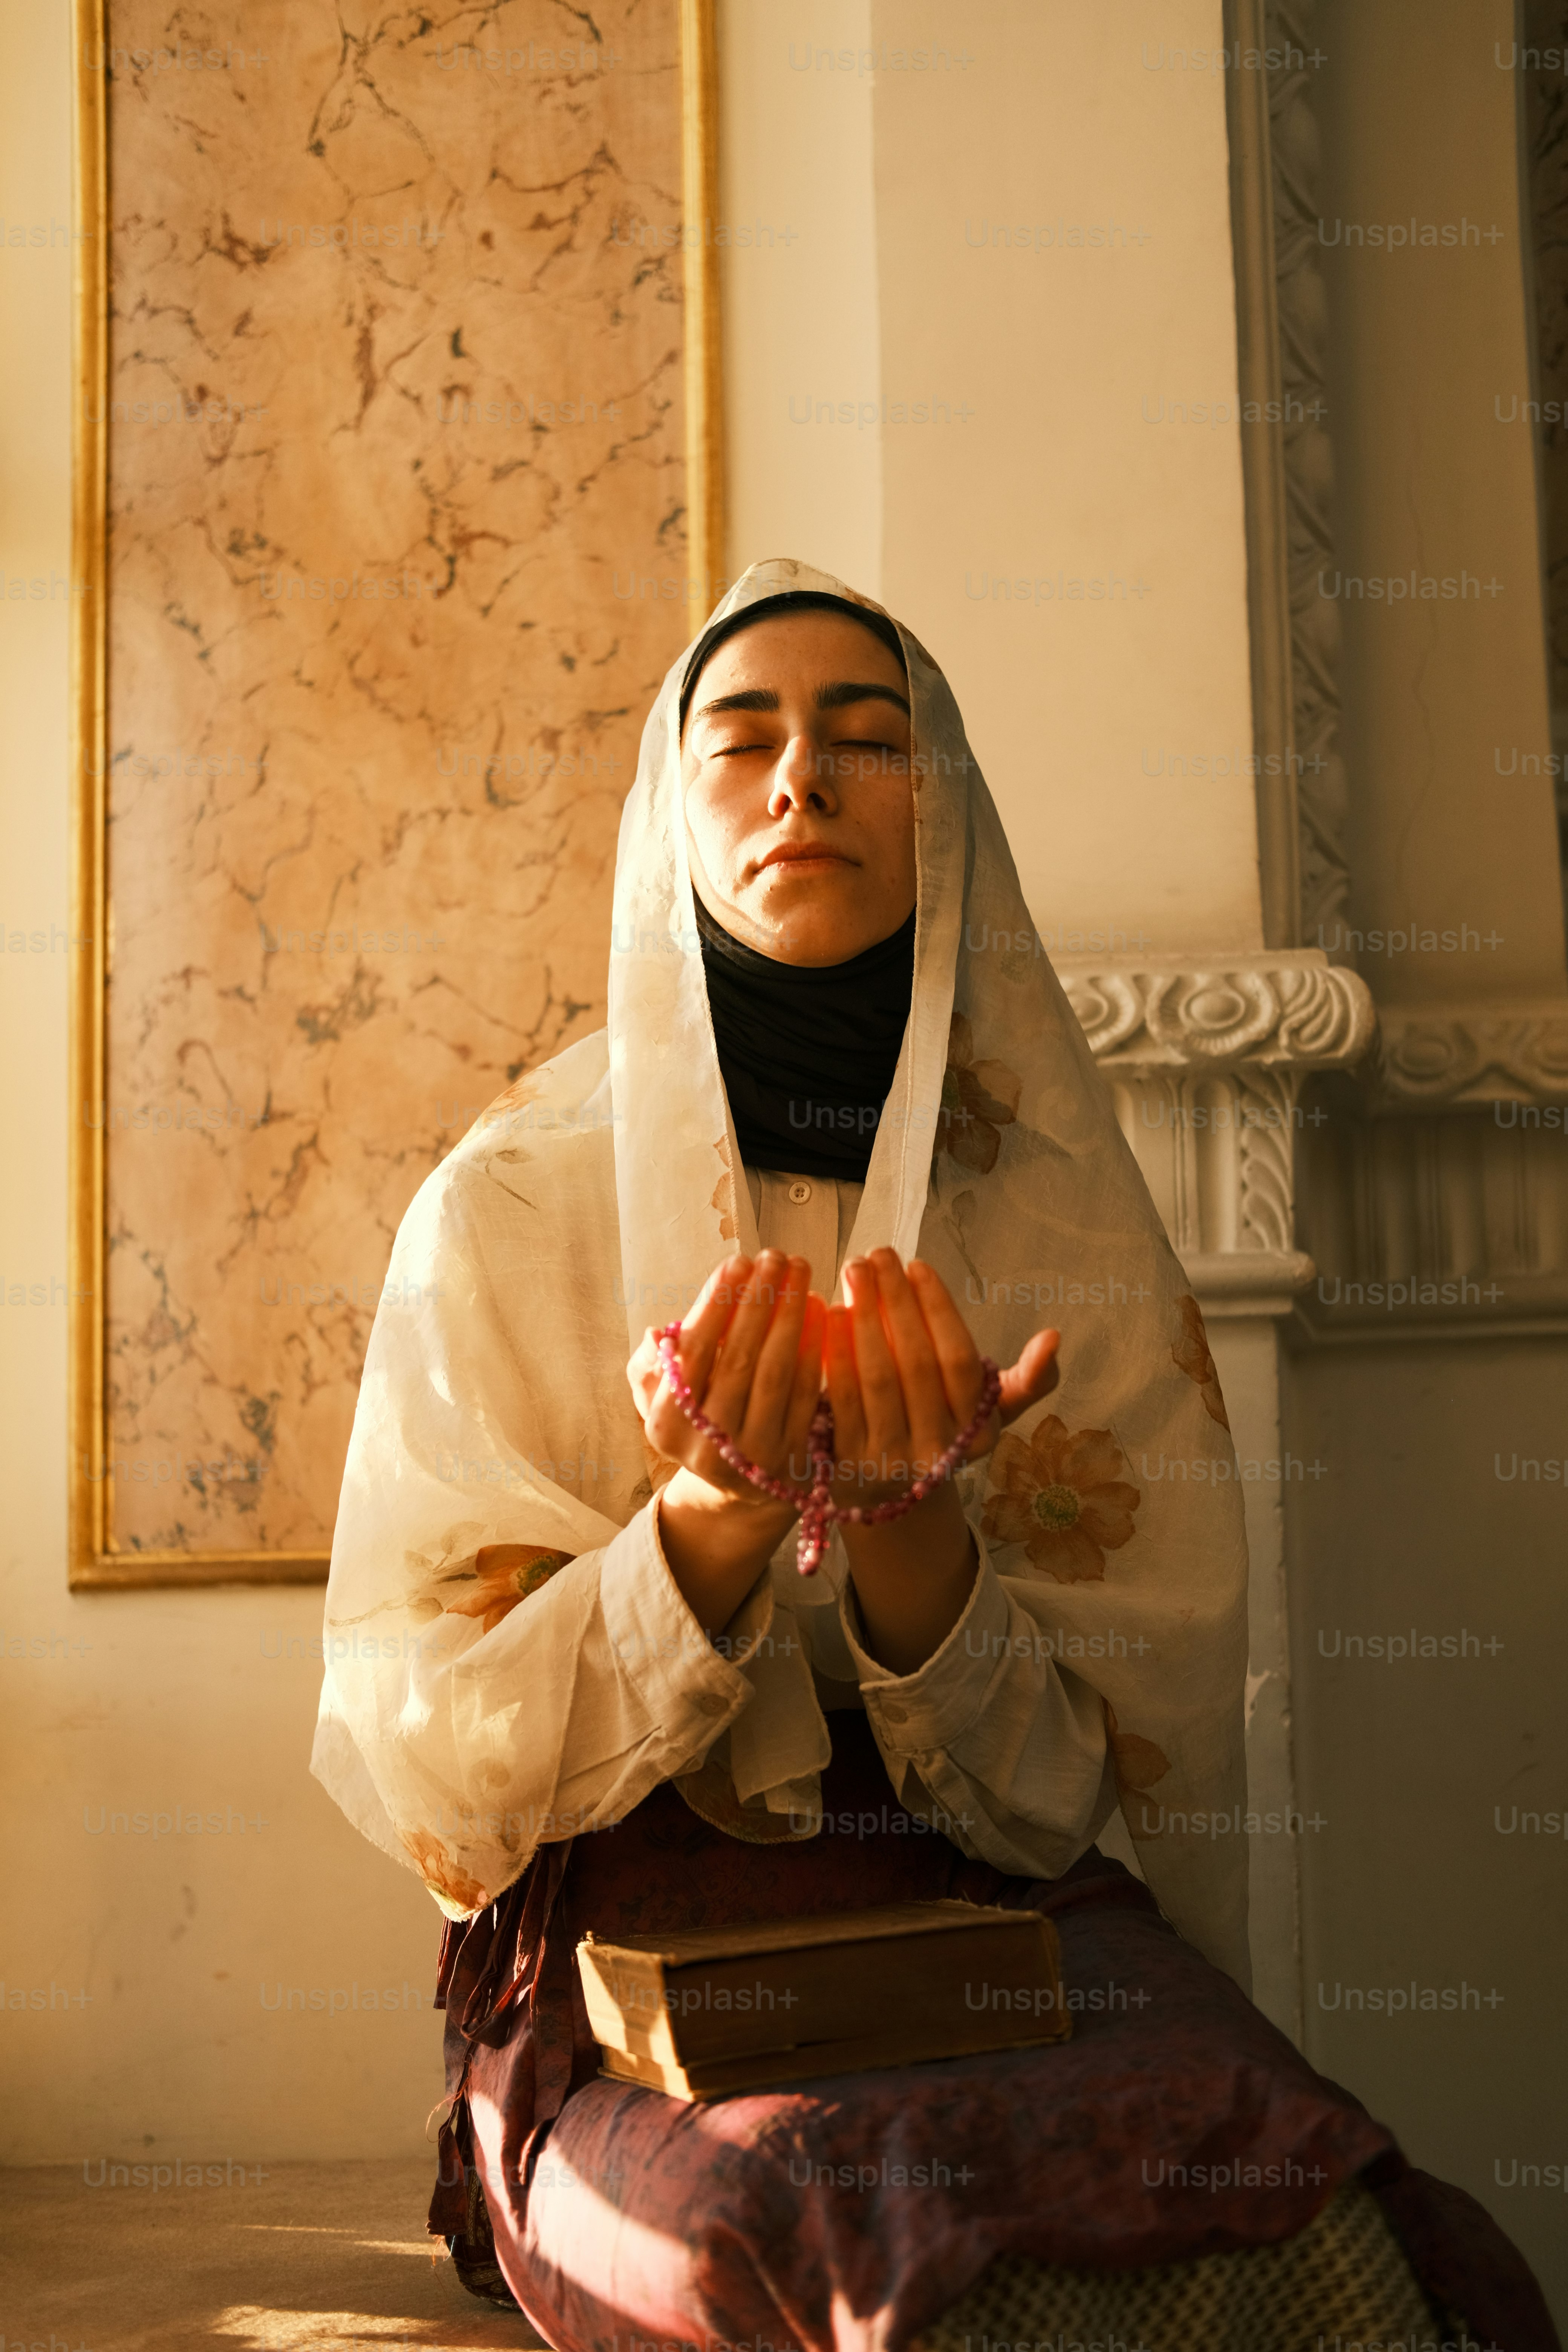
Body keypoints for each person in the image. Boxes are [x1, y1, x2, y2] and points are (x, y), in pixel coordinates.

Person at [312, 560, 1556, 2352]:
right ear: (674, 813)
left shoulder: (1059, 1225)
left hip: (993, 1911)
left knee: (1312, 2212)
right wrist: (707, 1523)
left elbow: (1074, 1785)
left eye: (864, 738)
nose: (799, 782)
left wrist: (914, 1537)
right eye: (738, 743)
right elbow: (432, 1765)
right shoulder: (512, 1208)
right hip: (638, 1944)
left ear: (945, 817)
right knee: (835, 2240)